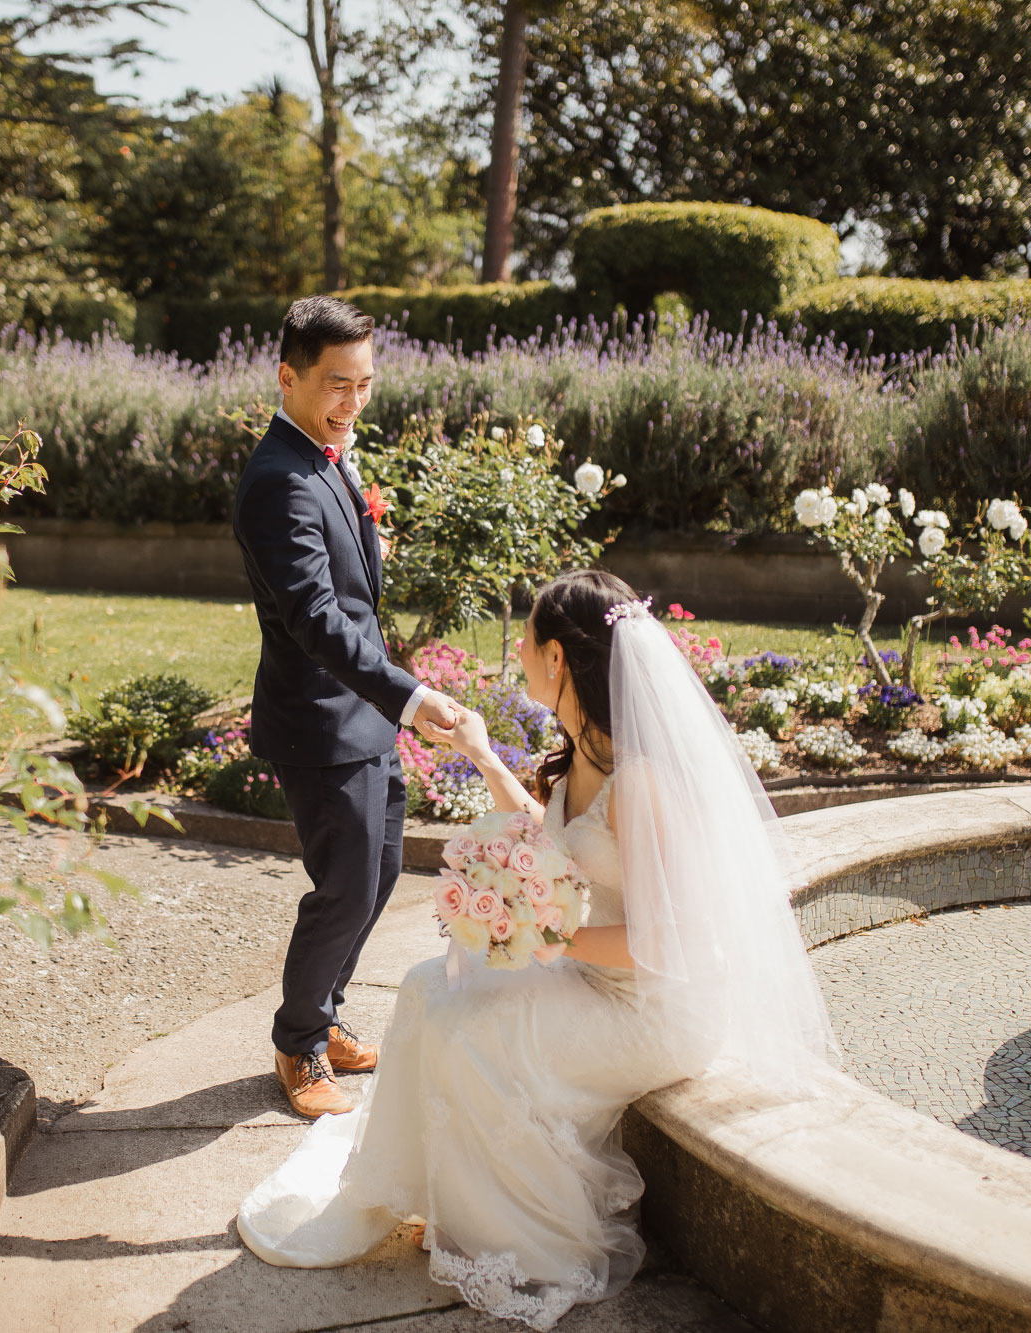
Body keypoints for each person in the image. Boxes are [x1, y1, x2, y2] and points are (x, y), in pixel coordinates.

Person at [236, 569, 839, 1329]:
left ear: (558, 658)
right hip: (592, 972)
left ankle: (504, 1235)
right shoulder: (584, 750)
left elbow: (666, 946)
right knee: (426, 988)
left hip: (652, 1008)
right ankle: (437, 1191)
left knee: (474, 1026)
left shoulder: (643, 781)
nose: (518, 652)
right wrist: (486, 758)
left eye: (525, 639)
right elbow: (550, 842)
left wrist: (538, 937)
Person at [232, 295, 464, 1121]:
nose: (353, 402)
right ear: (288, 376)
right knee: (343, 888)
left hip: (362, 714)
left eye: (365, 383)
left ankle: (323, 1017)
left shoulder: (328, 456)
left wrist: (369, 544)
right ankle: (297, 1042)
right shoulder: (276, 481)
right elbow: (317, 619)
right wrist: (409, 693)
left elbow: (344, 581)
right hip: (324, 720)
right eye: (337, 384)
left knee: (382, 872)